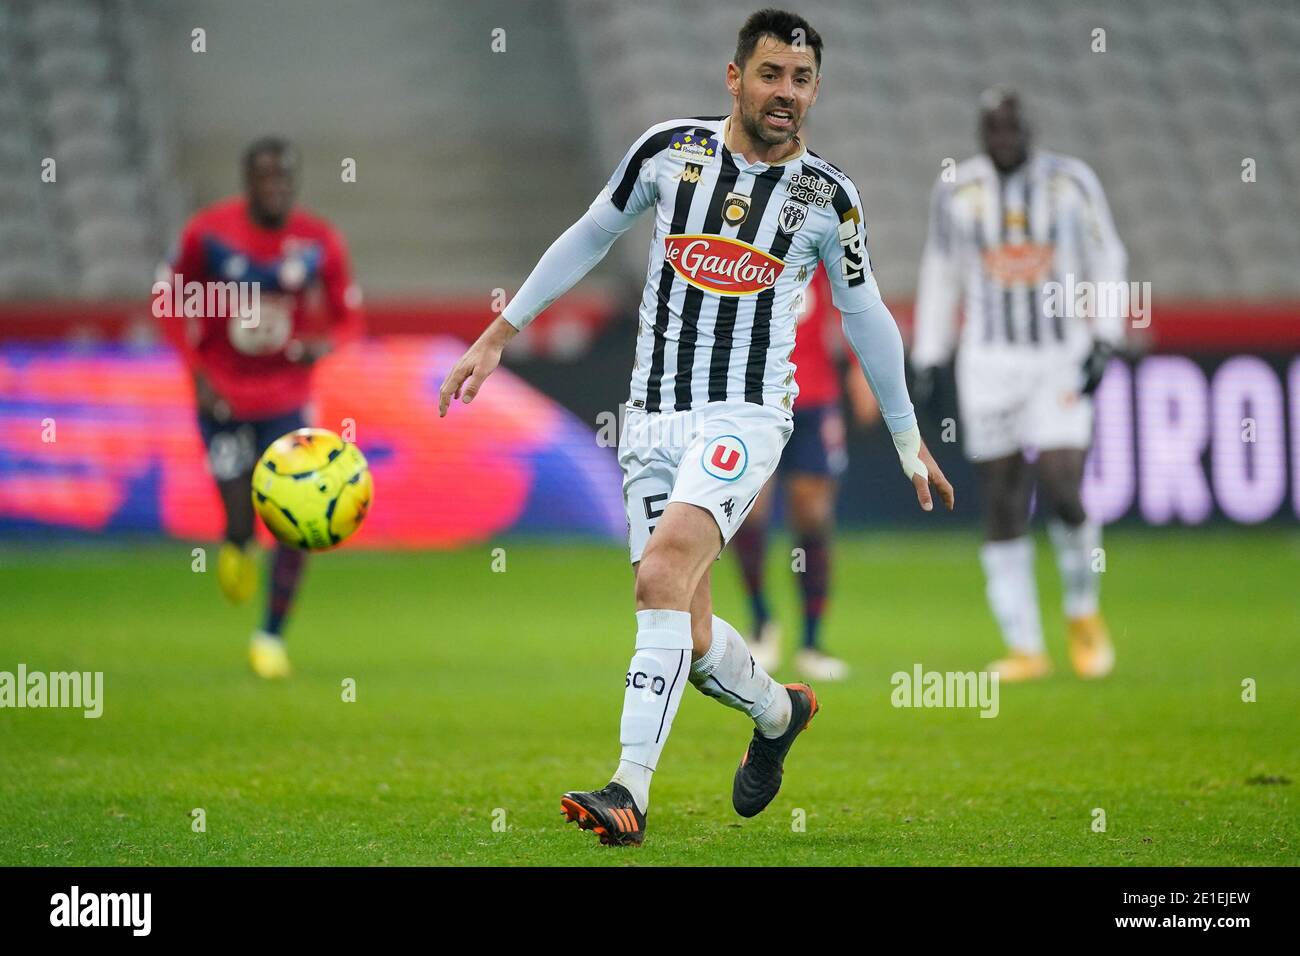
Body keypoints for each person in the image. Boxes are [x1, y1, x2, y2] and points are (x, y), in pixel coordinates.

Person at [440, 9, 953, 846]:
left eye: (801, 79)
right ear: (735, 77)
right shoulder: (668, 152)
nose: (785, 93)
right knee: (692, 626)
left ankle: (627, 791)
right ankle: (780, 712)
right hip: (651, 417)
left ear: (815, 89)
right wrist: (503, 330)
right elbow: (591, 234)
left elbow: (866, 314)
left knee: (660, 576)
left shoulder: (828, 198)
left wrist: (905, 436)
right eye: (770, 74)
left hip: (746, 415)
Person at [911, 88, 1126, 682]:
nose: (1004, 140)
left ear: (1030, 130)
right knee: (1003, 493)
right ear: (981, 135)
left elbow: (1109, 258)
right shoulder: (957, 190)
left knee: (1061, 482)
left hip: (1060, 354)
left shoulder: (1071, 182)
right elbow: (941, 271)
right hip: (989, 363)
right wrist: (930, 354)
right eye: (993, 131)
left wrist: (1106, 335)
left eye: (1013, 129)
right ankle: (1025, 644)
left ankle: (1083, 611)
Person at [161, 137, 362, 679]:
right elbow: (170, 305)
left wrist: (326, 342)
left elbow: (348, 316)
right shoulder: (208, 235)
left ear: (292, 182)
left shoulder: (317, 241)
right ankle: (236, 541)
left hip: (287, 399)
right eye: (264, 176)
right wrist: (198, 374)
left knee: (298, 521)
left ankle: (270, 636)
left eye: (283, 177)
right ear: (248, 180)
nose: (274, 185)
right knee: (239, 514)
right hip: (222, 395)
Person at [732, 264, 880, 681]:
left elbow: (853, 292)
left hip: (814, 394)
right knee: (748, 507)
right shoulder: (746, 227)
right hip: (754, 392)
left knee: (812, 513)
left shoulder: (820, 220)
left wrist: (860, 366)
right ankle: (761, 619)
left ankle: (812, 641)